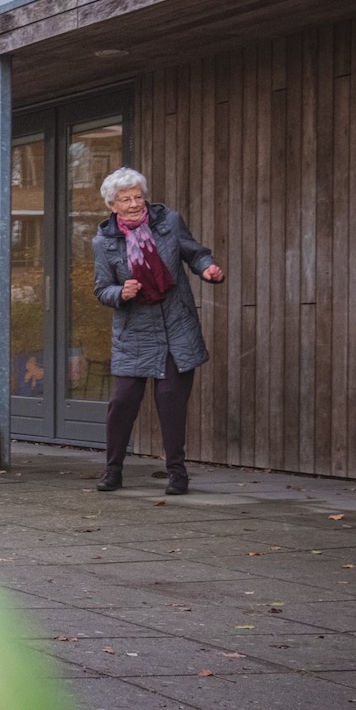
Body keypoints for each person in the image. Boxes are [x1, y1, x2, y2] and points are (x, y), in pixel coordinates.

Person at [92, 167, 224, 496]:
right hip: (133, 332)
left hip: (175, 326)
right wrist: (121, 292)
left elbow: (194, 253)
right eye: (125, 199)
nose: (135, 204)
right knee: (122, 402)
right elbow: (102, 289)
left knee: (170, 401)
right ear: (112, 206)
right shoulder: (104, 242)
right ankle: (113, 471)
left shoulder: (169, 222)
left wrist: (207, 268)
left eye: (138, 196)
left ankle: (177, 473)